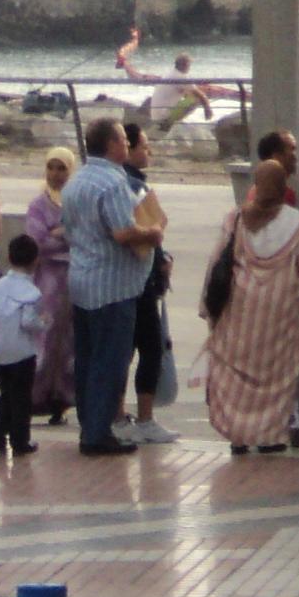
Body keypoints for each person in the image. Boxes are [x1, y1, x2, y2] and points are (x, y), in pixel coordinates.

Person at [201, 160, 299, 454]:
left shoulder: (236, 219)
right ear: (282, 187)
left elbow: (216, 261)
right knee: (278, 375)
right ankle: (269, 436)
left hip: (241, 312)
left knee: (235, 373)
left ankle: (239, 436)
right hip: (281, 315)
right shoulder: (298, 223)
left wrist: (208, 305)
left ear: (256, 186)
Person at [62, 118, 161, 456]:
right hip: (112, 286)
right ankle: (98, 432)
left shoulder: (76, 182)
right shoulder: (113, 183)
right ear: (111, 144)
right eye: (122, 140)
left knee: (88, 359)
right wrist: (152, 233)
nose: (126, 145)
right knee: (110, 360)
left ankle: (89, 425)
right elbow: (123, 232)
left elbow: (69, 229)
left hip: (82, 280)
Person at [112, 123, 180, 446]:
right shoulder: (131, 186)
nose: (148, 152)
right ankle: (142, 418)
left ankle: (122, 415)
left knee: (127, 349)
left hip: (134, 277)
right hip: (139, 280)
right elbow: (146, 230)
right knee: (148, 347)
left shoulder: (125, 182)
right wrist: (158, 254)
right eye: (143, 146)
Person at [26, 147, 77, 425]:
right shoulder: (39, 204)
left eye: (62, 169)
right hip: (47, 280)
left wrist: (58, 233)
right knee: (43, 337)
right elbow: (36, 242)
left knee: (67, 342)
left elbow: (83, 235)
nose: (55, 174)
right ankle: (34, 397)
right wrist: (64, 235)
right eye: (51, 168)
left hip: (72, 280)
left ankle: (61, 399)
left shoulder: (75, 203)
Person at [0, 234, 47, 458]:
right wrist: (44, 323)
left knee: (5, 395)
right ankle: (20, 440)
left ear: (9, 258)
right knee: (21, 398)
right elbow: (28, 322)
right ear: (35, 261)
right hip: (22, 352)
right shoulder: (31, 293)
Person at [116, 27, 212, 130]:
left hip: (156, 115)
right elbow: (200, 95)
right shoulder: (180, 77)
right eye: (189, 65)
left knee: (189, 96)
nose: (189, 68)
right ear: (185, 65)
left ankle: (171, 122)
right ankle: (169, 124)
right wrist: (208, 109)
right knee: (195, 99)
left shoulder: (170, 74)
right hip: (163, 117)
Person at [253, 130, 299, 205]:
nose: (295, 157)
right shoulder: (280, 196)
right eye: (292, 149)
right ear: (276, 156)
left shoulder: (257, 191)